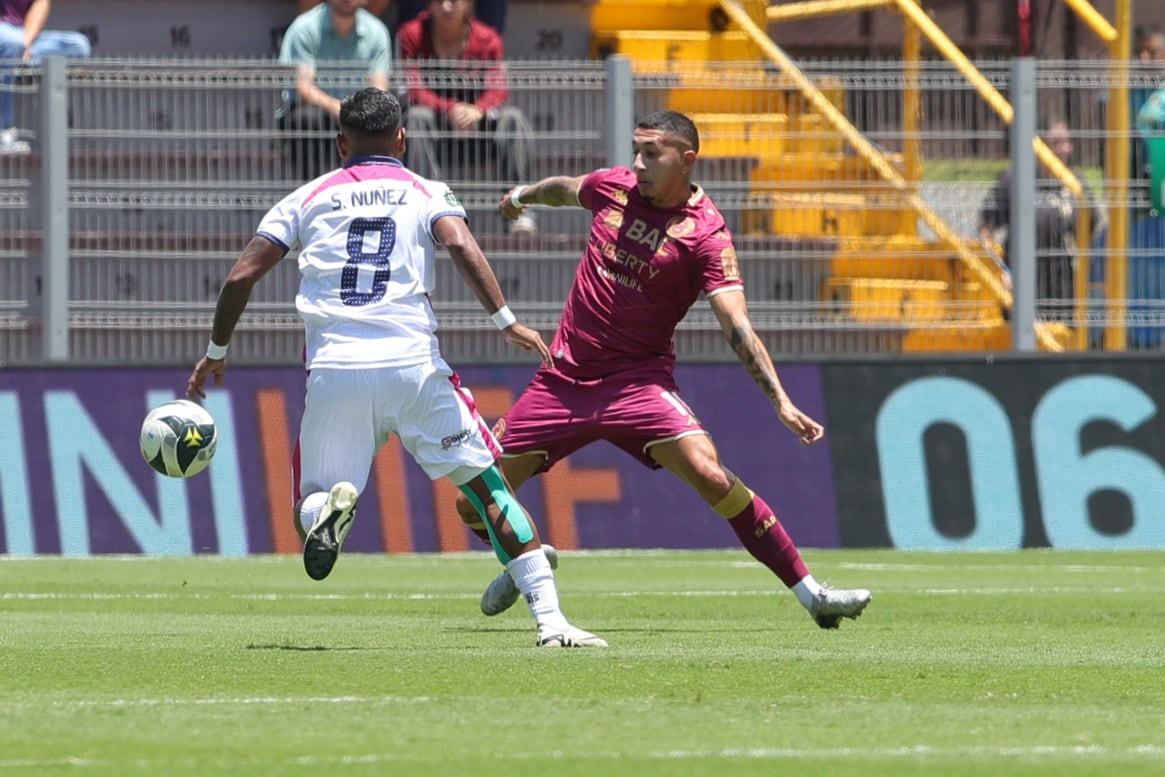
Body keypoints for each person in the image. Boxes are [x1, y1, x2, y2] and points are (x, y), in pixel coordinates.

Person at [186, 87, 604, 649]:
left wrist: (215, 352)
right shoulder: (424, 190)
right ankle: (552, 623)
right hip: (412, 368)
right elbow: (458, 243)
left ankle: (327, 512)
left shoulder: (306, 198)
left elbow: (240, 277)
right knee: (489, 490)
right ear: (403, 139)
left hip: (335, 372)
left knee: (306, 508)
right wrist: (505, 319)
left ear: (340, 144)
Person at [454, 110, 872, 630]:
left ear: (686, 160)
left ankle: (813, 595)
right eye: (637, 150)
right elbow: (566, 189)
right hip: (563, 382)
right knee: (471, 505)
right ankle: (526, 564)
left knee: (709, 473)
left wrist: (781, 401)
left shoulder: (706, 236)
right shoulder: (614, 188)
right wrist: (522, 196)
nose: (638, 163)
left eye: (652, 154)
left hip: (637, 386)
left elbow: (736, 325)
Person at [397, 0, 536, 234]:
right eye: (439, 1)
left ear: (468, 4)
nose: (447, 6)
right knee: (416, 117)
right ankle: (428, 211)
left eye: (454, 1)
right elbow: (411, 89)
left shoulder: (488, 38)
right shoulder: (411, 35)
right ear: (429, 5)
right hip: (435, 132)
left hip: (477, 130)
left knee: (514, 119)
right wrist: (451, 108)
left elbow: (498, 89)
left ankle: (518, 213)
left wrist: (477, 110)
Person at [978, 119, 1105, 316]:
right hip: (1021, 289)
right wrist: (999, 271)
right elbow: (985, 230)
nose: (1065, 148)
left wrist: (1089, 274)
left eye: (1067, 142)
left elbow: (1094, 231)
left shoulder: (1076, 184)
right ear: (1039, 146)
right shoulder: (1016, 180)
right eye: (1056, 143)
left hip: (1064, 291)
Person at [279, 0, 393, 180]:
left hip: (361, 116)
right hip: (319, 113)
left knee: (385, 120)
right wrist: (340, 109)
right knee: (306, 118)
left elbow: (379, 89)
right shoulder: (304, 28)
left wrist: (360, 113)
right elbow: (304, 88)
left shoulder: (377, 31)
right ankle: (313, 193)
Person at [0, 0, 90, 154]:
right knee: (11, 43)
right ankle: (3, 130)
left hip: (24, 35)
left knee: (79, 46)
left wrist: (26, 43)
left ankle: (19, 63)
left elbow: (41, 3)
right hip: (6, 35)